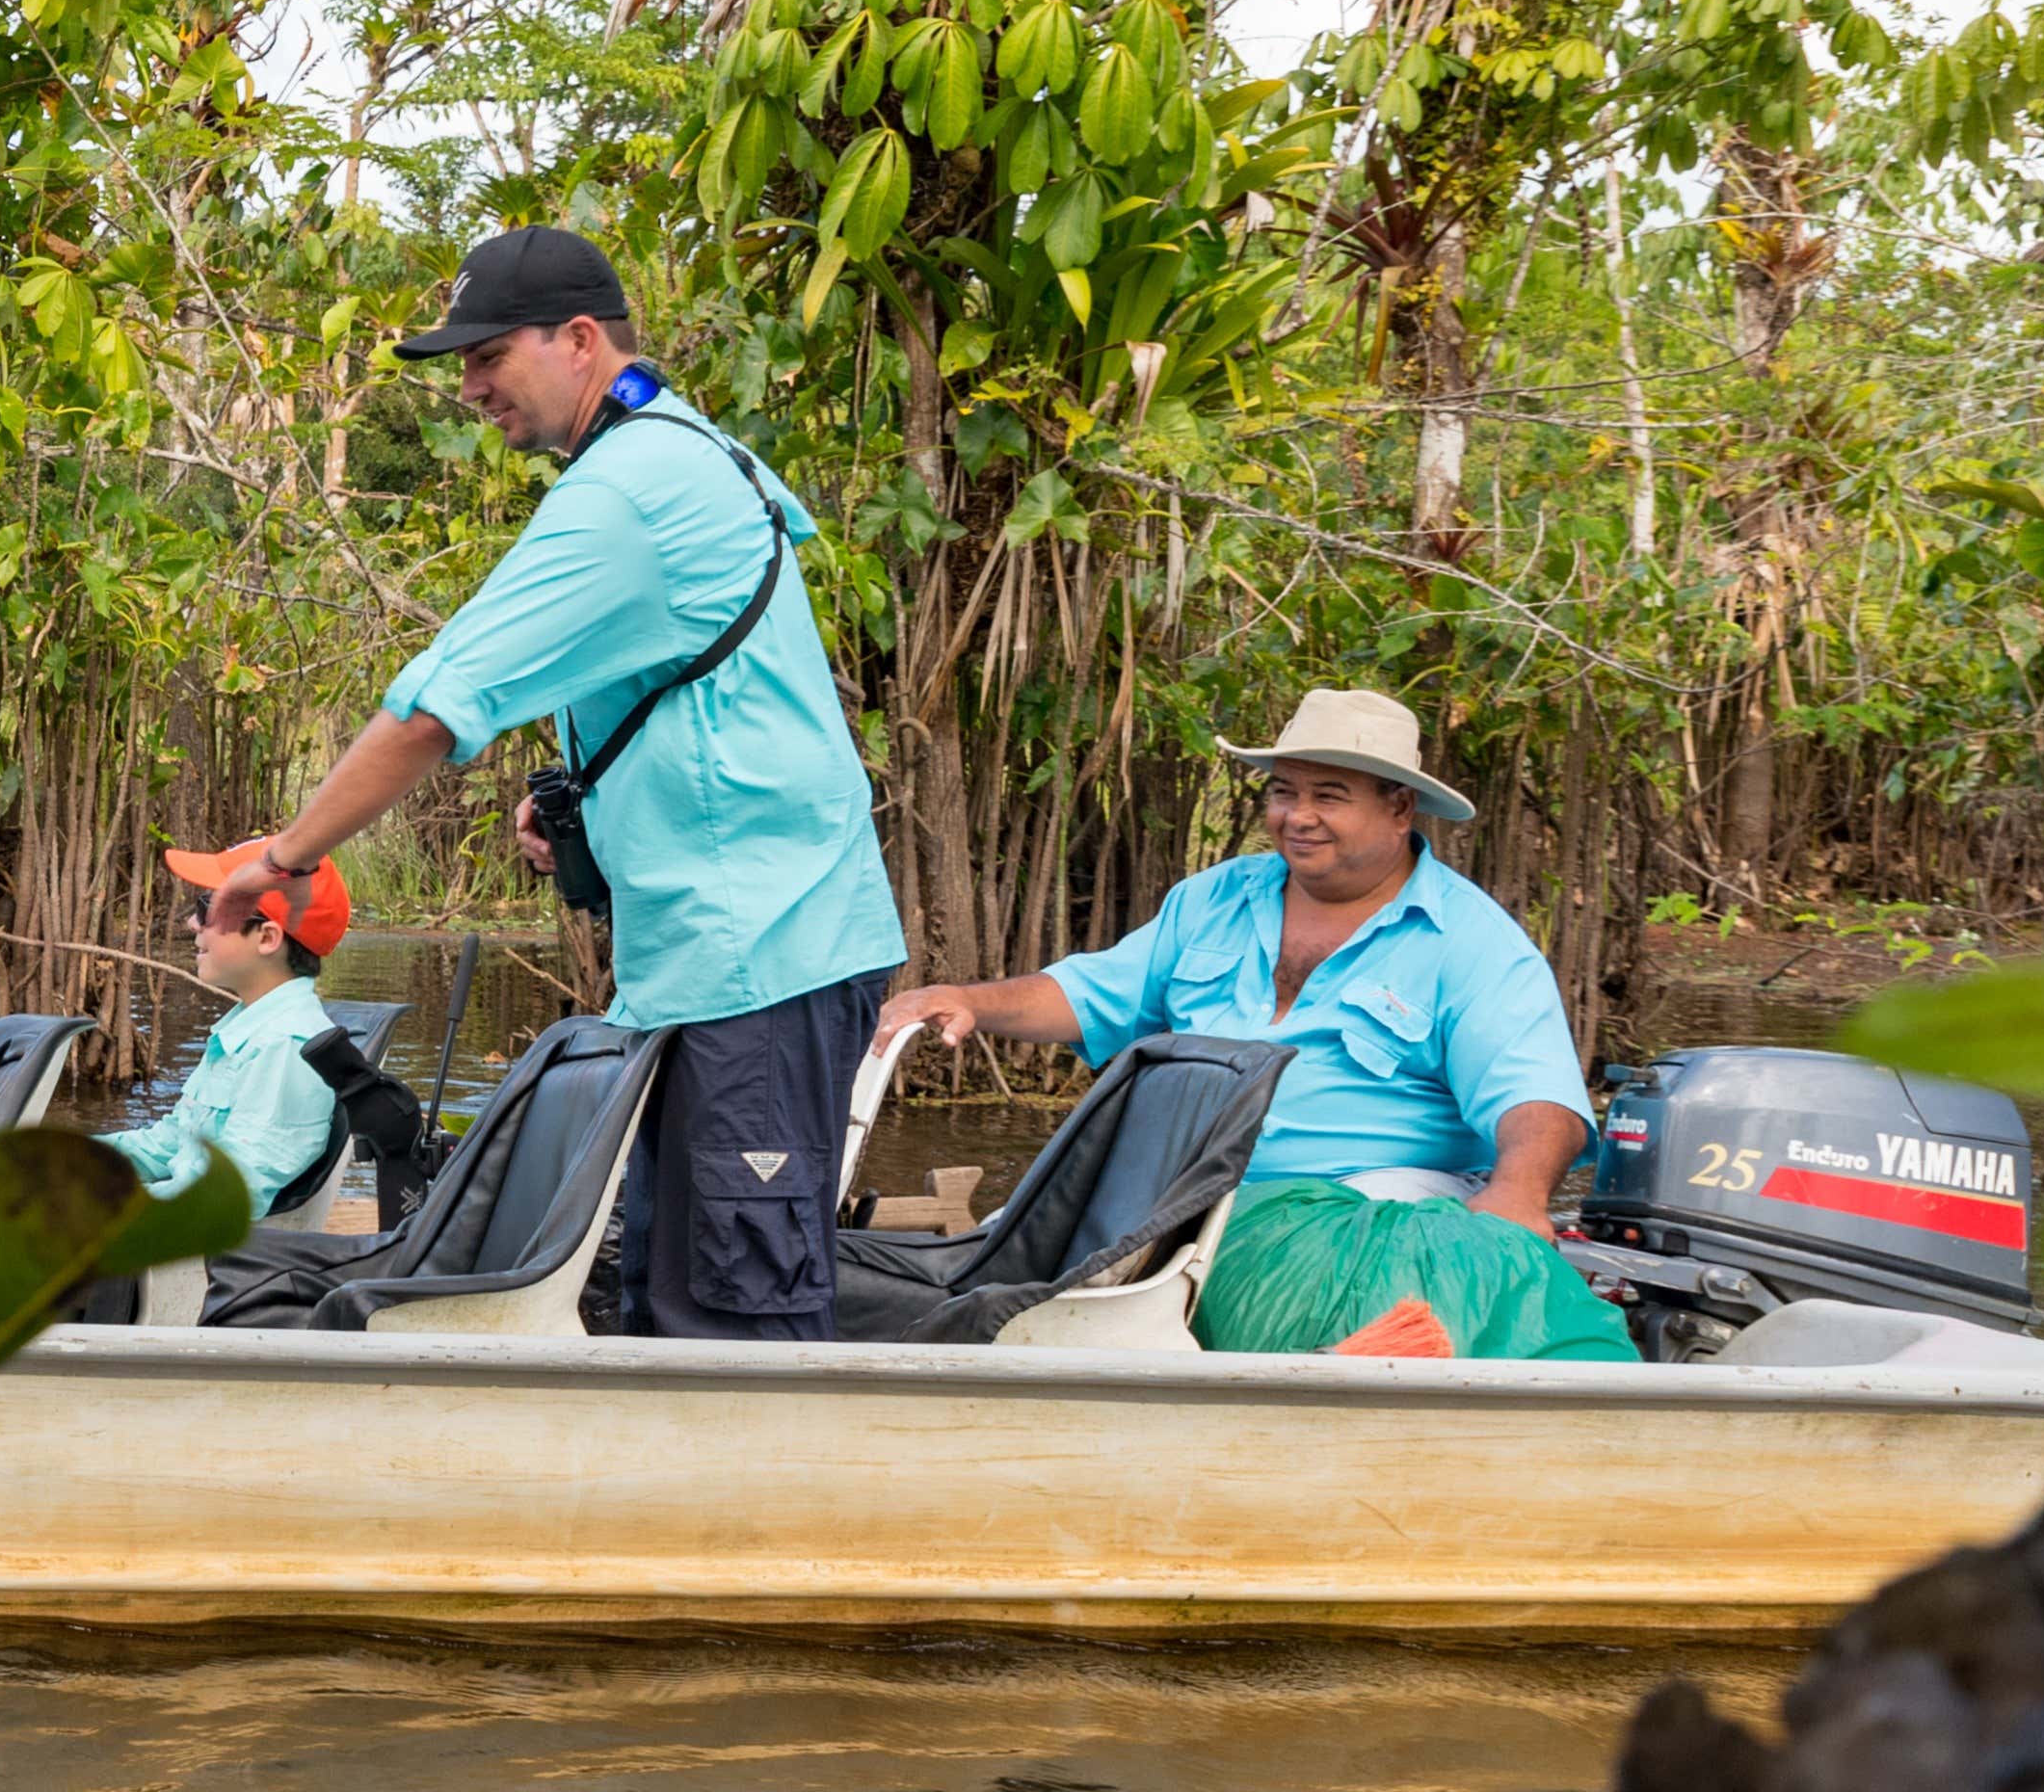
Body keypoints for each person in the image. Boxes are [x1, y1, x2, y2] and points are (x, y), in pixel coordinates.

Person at [203, 225, 908, 1340]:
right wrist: (586, 805)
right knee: (665, 1298)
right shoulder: (688, 448)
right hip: (714, 964)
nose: (471, 386)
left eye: (489, 354)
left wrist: (281, 862)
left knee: (739, 1317)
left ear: (580, 340)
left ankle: (758, 1513)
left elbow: (438, 705)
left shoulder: (630, 488)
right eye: (462, 363)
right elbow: (704, 684)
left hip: (761, 956)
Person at [871, 689, 1625, 1359]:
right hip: (1182, 1188)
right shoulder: (1216, 897)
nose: (1298, 817)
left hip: (1365, 1200)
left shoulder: (1469, 937)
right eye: (1283, 791)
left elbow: (1537, 1097)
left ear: (1399, 808)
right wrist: (968, 999)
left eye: (1330, 796)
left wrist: (1519, 1195)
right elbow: (1092, 992)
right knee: (993, 1265)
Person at [106, 837, 354, 1217]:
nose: (193, 922)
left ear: (267, 937)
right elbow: (175, 1143)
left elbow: (229, 1190)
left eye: (209, 908)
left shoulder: (285, 1046)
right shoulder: (250, 1031)